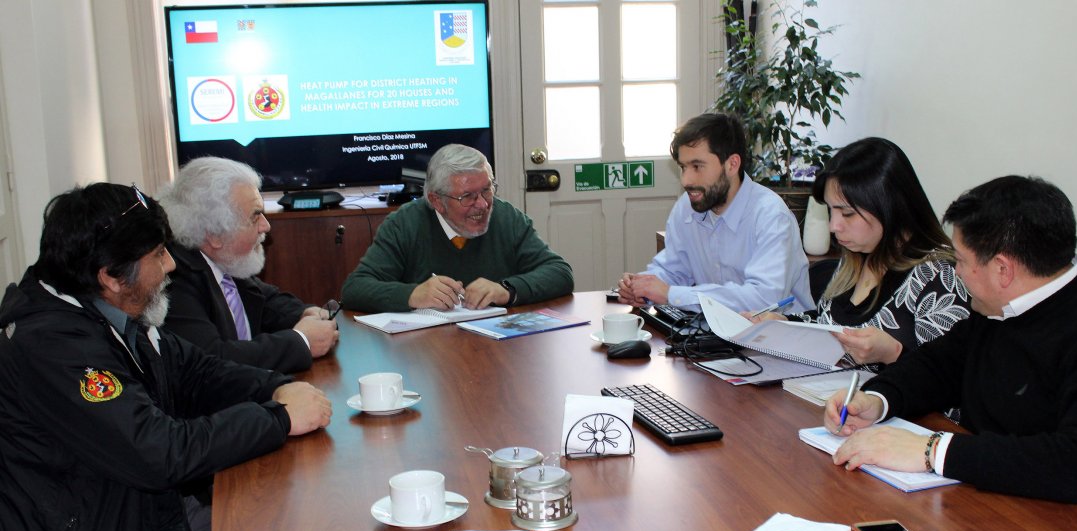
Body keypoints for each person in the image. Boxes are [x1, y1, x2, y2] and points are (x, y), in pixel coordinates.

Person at [0, 183, 332, 531]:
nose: (172, 264)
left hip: (141, 514)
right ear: (111, 276)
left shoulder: (109, 313)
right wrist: (277, 418)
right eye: (159, 254)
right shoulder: (54, 347)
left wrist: (278, 388)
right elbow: (158, 451)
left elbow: (199, 372)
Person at [826, 176, 1077, 531]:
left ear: (1003, 269)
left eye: (960, 260)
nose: (954, 272)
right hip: (986, 510)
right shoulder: (1000, 305)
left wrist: (932, 451)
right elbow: (941, 365)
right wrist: (877, 399)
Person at [742, 137, 971, 367]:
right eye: (831, 211)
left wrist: (893, 354)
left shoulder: (939, 276)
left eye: (847, 213)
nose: (834, 226)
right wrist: (782, 324)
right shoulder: (857, 255)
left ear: (888, 205)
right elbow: (827, 325)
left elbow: (949, 382)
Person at [341, 144, 574, 313]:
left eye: (487, 190)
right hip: (426, 355)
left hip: (498, 351)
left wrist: (507, 290)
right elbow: (355, 289)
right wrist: (412, 295)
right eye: (467, 196)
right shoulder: (405, 225)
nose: (482, 204)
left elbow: (560, 273)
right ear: (436, 201)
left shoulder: (506, 217)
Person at [617, 112, 813, 313]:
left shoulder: (771, 216)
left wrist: (670, 294)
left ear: (732, 164)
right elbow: (673, 270)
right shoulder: (687, 206)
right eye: (683, 167)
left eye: (697, 166)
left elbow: (763, 300)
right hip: (718, 335)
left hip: (778, 337)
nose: (686, 180)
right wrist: (642, 287)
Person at [160, 157, 339, 374]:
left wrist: (306, 314)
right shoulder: (173, 280)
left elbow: (267, 302)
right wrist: (301, 341)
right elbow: (213, 360)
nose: (266, 226)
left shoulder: (225, 260)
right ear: (215, 234)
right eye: (255, 217)